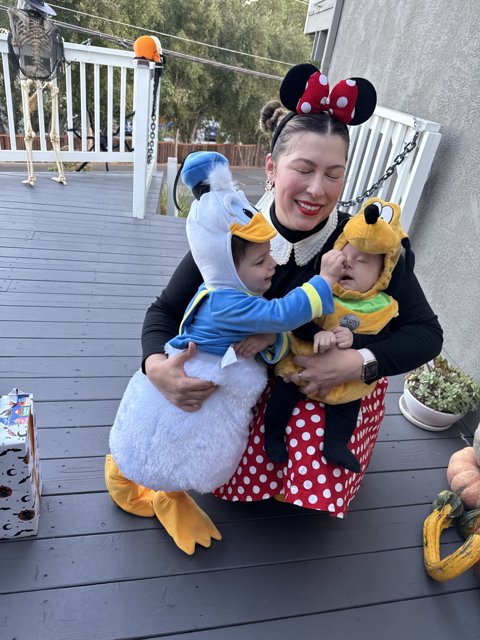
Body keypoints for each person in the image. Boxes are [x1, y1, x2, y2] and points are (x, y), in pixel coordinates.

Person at [138, 63, 443, 555]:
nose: (317, 190)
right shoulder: (232, 236)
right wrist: (156, 368)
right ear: (272, 168)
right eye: (303, 169)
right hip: (250, 380)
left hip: (330, 382)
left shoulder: (365, 245)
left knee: (328, 414)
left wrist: (358, 360)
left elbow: (426, 332)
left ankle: (311, 475)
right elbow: (164, 310)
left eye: (333, 174)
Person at [106, 151, 344, 511]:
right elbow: (282, 313)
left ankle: (167, 488)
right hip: (196, 383)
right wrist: (323, 283)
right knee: (168, 442)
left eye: (333, 173)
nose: (273, 266)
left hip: (219, 385)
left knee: (183, 443)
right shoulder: (229, 301)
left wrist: (271, 340)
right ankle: (151, 486)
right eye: (262, 261)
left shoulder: (234, 291)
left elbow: (270, 335)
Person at [264, 197, 410, 472]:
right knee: (282, 395)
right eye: (345, 256)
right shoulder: (323, 288)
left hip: (348, 378)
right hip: (300, 367)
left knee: (348, 406)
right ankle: (272, 436)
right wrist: (315, 333)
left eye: (363, 261)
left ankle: (335, 444)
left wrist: (357, 341)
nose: (349, 264)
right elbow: (298, 318)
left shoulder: (382, 306)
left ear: (382, 274)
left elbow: (384, 338)